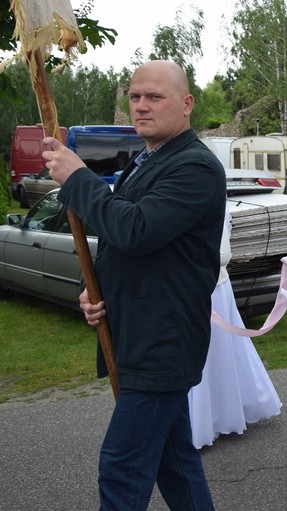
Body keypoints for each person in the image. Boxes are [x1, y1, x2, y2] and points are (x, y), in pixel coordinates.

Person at [42, 60, 226, 510]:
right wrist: (98, 289)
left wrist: (77, 177)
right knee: (175, 462)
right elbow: (131, 249)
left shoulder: (195, 167)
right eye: (135, 96)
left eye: (154, 97)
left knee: (122, 469)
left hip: (162, 341)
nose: (141, 106)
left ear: (186, 105)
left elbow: (135, 229)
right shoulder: (148, 160)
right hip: (139, 333)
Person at [188, 208, 282, 449]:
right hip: (189, 288)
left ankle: (218, 415)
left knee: (219, 352)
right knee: (202, 353)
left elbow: (222, 255)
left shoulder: (215, 206)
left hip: (213, 287)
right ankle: (201, 415)